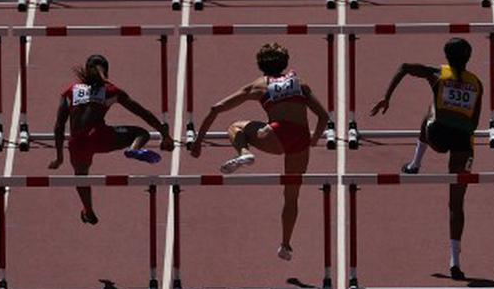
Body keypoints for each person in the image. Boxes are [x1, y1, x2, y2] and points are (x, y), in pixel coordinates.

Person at [189, 43, 330, 260]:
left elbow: (215, 108)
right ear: (285, 63)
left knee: (235, 126)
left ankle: (243, 152)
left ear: (260, 66)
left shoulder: (259, 86)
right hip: (300, 140)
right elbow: (323, 117)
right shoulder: (301, 84)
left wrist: (198, 141)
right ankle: (285, 245)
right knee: (291, 196)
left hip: (275, 135)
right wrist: (314, 140)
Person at [370, 37, 483, 279]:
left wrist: (386, 97)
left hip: (436, 136)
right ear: (469, 58)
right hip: (463, 144)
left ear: (446, 57)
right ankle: (455, 262)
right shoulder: (477, 84)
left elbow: (403, 67)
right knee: (456, 204)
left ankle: (415, 164)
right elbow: (474, 122)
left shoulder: (436, 74)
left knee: (432, 107)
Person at [50, 54, 174, 225]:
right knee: (141, 133)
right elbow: (141, 112)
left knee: (81, 177)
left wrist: (59, 158)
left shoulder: (70, 91)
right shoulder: (110, 90)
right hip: (99, 136)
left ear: (87, 70)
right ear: (106, 71)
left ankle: (88, 210)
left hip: (76, 144)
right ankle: (134, 148)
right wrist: (164, 133)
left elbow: (58, 127)